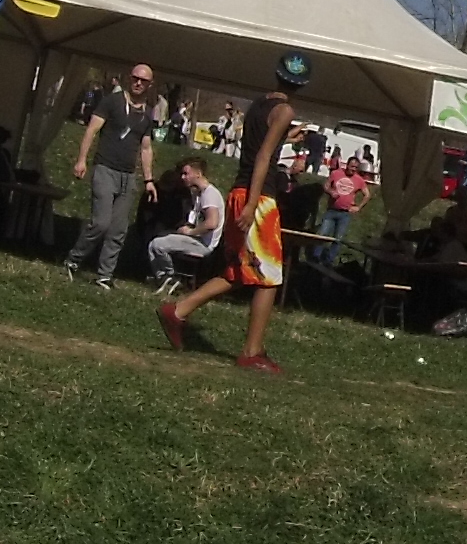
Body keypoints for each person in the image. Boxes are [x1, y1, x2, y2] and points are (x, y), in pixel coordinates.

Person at [158, 52, 308, 372]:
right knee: (269, 278)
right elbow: (264, 157)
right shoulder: (285, 110)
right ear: (303, 84)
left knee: (238, 272)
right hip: (259, 197)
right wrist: (254, 204)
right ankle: (252, 352)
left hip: (238, 191)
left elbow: (258, 144)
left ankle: (178, 311)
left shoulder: (260, 105)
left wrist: (287, 136)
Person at [62, 61, 159, 290]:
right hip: (105, 168)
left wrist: (148, 180)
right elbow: (91, 130)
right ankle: (73, 259)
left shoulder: (147, 113)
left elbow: (146, 148)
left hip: (128, 175)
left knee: (118, 230)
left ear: (150, 84)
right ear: (129, 78)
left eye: (143, 80)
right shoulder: (112, 101)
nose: (138, 83)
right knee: (101, 223)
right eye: (135, 78)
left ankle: (104, 275)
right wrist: (81, 160)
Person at [145, 156, 225, 290]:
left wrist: (191, 232)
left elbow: (212, 223)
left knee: (158, 245)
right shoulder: (199, 194)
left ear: (198, 173)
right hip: (197, 239)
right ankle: (163, 278)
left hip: (203, 245)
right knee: (156, 241)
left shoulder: (210, 194)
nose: (183, 177)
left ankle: (170, 278)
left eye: (186, 173)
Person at [313, 151, 371, 263]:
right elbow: (326, 185)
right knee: (322, 235)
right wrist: (331, 192)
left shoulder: (359, 180)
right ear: (347, 165)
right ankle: (315, 257)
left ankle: (329, 261)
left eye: (356, 168)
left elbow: (367, 195)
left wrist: (358, 207)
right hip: (331, 210)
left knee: (338, 239)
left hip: (345, 213)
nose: (353, 169)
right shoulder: (336, 173)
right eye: (352, 166)